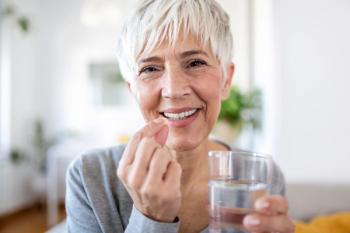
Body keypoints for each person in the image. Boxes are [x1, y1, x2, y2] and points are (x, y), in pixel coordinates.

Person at [65, 0, 295, 232]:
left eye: (195, 63)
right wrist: (151, 218)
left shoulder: (261, 175)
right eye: (150, 69)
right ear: (132, 89)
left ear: (226, 80)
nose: (173, 90)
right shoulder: (90, 176)